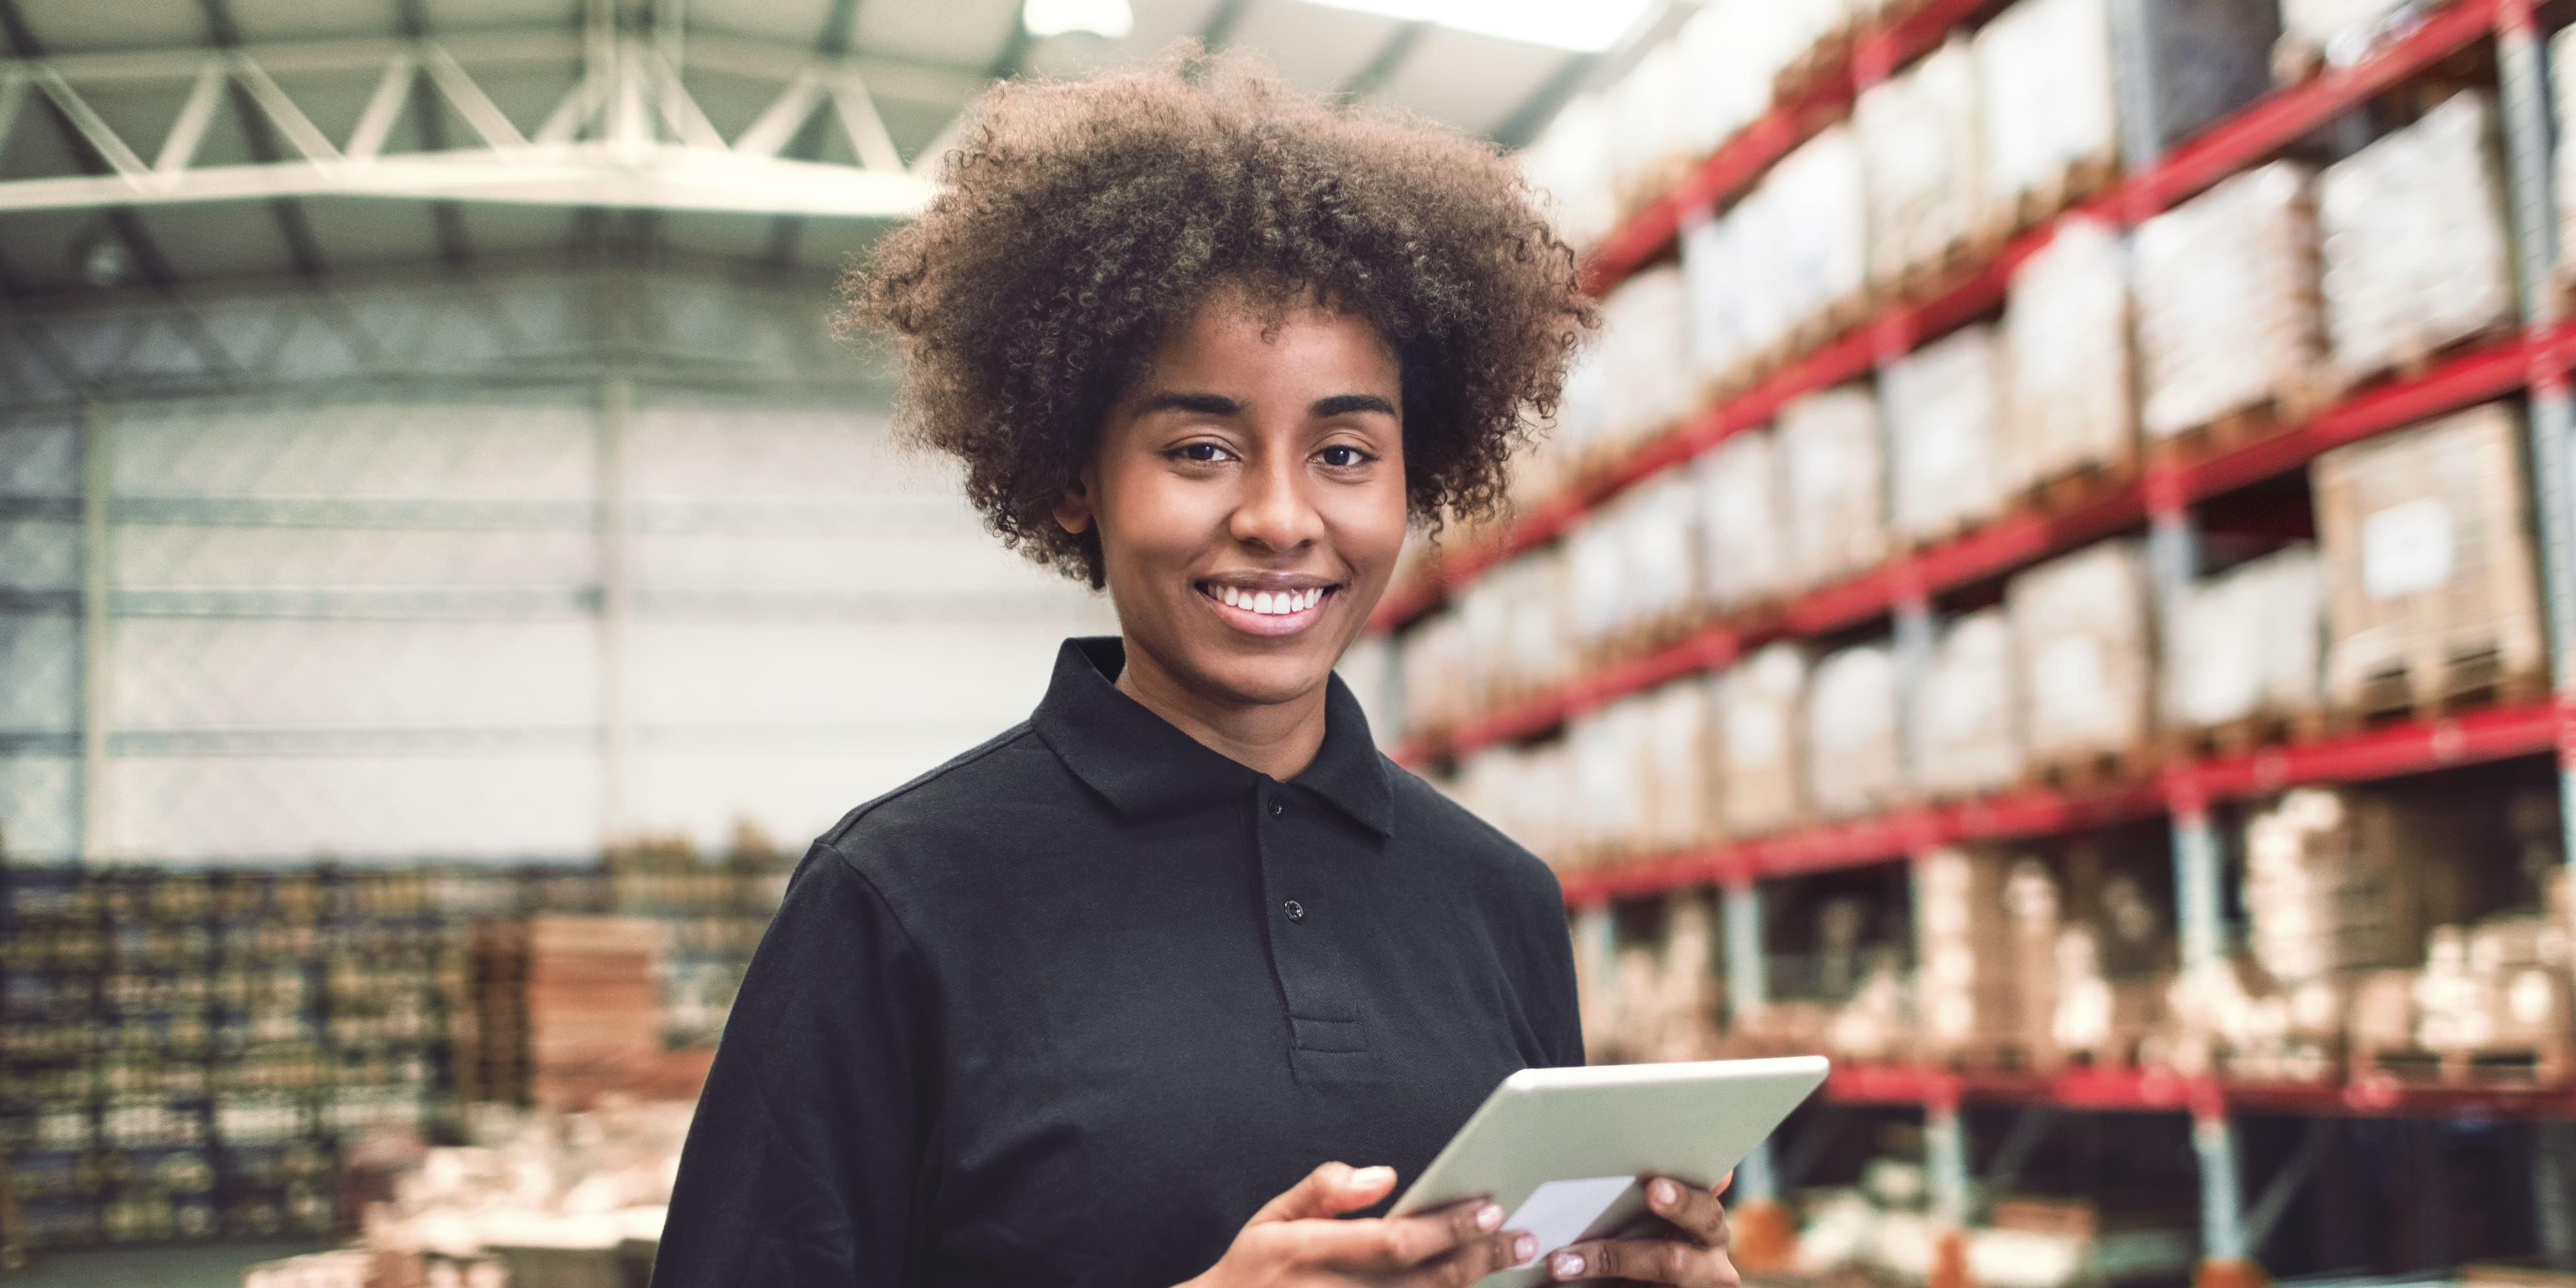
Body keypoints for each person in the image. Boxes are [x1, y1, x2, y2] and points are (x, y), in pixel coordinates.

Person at [651, 49, 1741, 1288]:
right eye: (1203, 447)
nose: (1283, 517)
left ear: (1416, 478)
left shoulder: (1500, 902)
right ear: (1073, 476)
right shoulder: (898, 898)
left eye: (1344, 452)